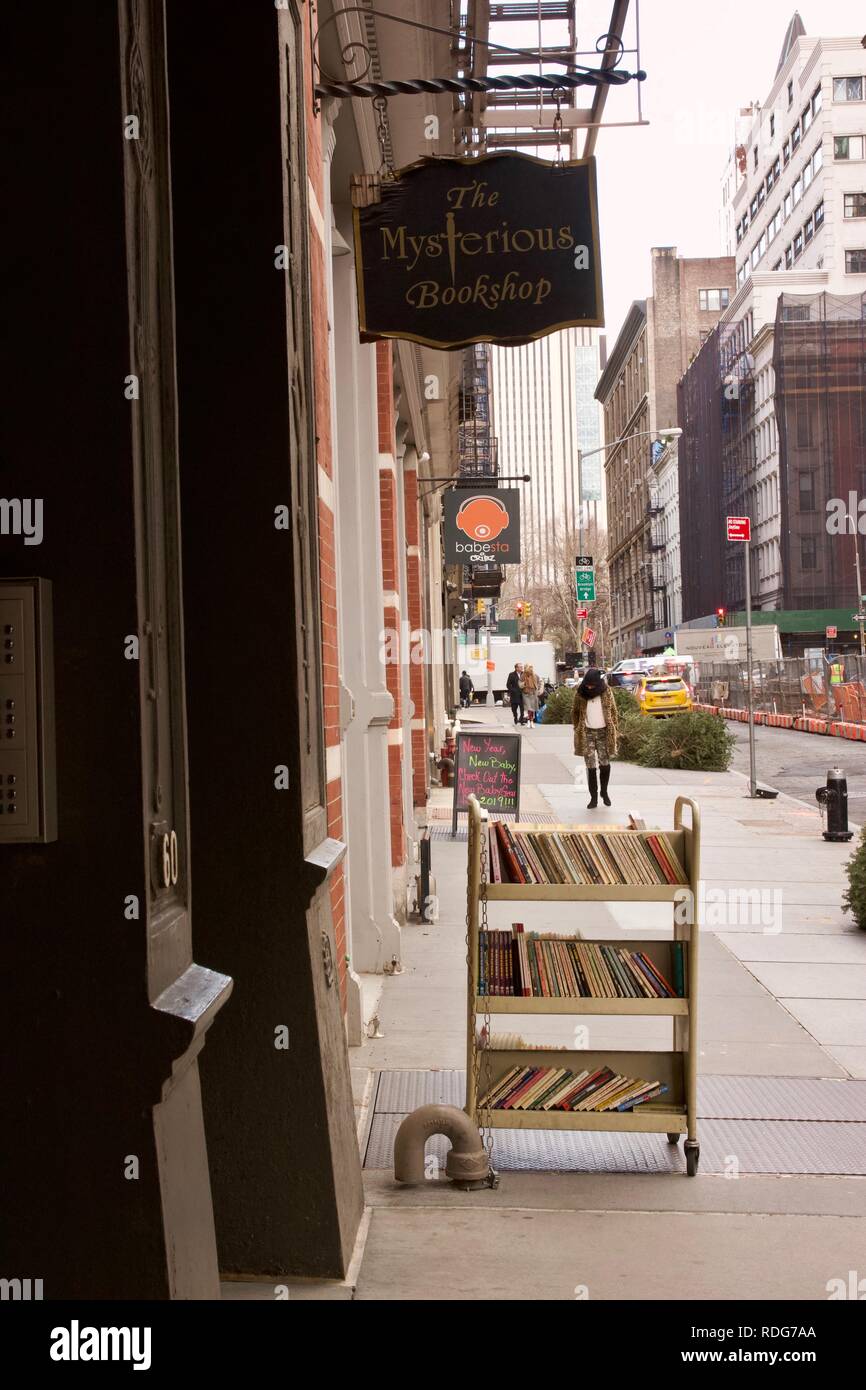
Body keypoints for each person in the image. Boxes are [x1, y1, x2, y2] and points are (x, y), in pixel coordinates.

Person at [572, 665, 619, 809]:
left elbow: (613, 711)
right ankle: (593, 798)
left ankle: (604, 792)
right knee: (590, 766)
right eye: (588, 685)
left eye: (593, 685)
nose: (590, 688)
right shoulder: (580, 693)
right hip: (587, 733)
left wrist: (614, 729)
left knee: (605, 764)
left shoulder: (606, 692)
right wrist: (577, 727)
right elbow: (574, 712)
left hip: (604, 733)